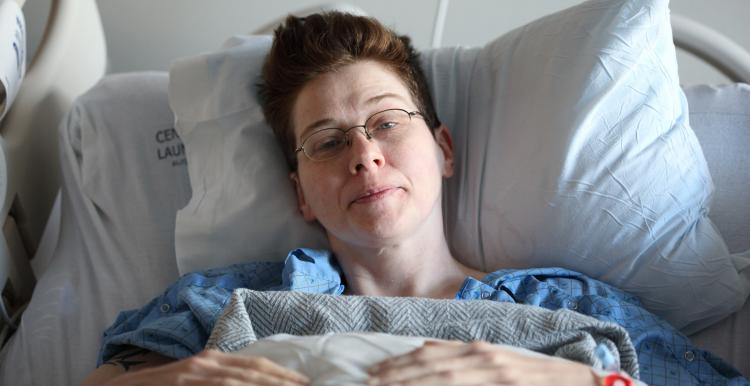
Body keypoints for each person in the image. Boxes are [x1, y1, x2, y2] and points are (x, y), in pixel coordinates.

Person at [79, 12, 746, 386]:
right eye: (327, 140)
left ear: (445, 149)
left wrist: (564, 380)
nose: (364, 153)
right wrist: (184, 380)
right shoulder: (222, 304)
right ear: (300, 194)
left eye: (388, 122)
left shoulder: (569, 308)